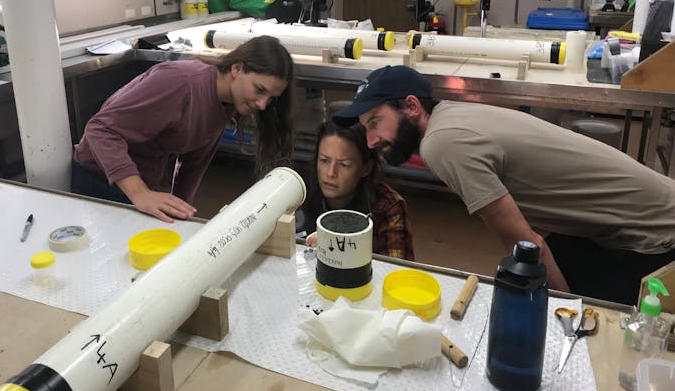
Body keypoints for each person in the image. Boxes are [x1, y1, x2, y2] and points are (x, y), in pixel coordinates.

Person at [333, 64, 675, 305]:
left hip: (656, 241)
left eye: (376, 122)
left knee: (588, 326)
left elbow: (529, 247)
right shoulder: (451, 113)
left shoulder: (442, 143)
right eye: (366, 128)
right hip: (635, 219)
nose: (372, 140)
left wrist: (563, 311)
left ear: (411, 106)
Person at [72, 35, 295, 222]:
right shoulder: (181, 82)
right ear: (237, 68)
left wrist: (182, 209)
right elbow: (100, 129)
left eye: (270, 98)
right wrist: (140, 193)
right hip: (100, 179)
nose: (262, 104)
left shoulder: (226, 102)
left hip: (140, 183)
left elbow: (194, 162)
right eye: (259, 90)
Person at [301, 120, 414, 261]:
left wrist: (339, 246)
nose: (330, 173)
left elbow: (398, 273)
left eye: (344, 164)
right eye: (324, 160)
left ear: (366, 168)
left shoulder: (388, 206)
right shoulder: (298, 194)